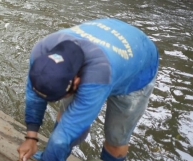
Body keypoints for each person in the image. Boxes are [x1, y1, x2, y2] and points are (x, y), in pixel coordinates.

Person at [18, 18, 159, 161]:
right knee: (66, 116)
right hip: (108, 38)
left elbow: (64, 135)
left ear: (77, 81)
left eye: (61, 95)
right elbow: (34, 96)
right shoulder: (41, 52)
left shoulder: (97, 76)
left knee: (116, 138)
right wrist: (31, 137)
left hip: (138, 67)